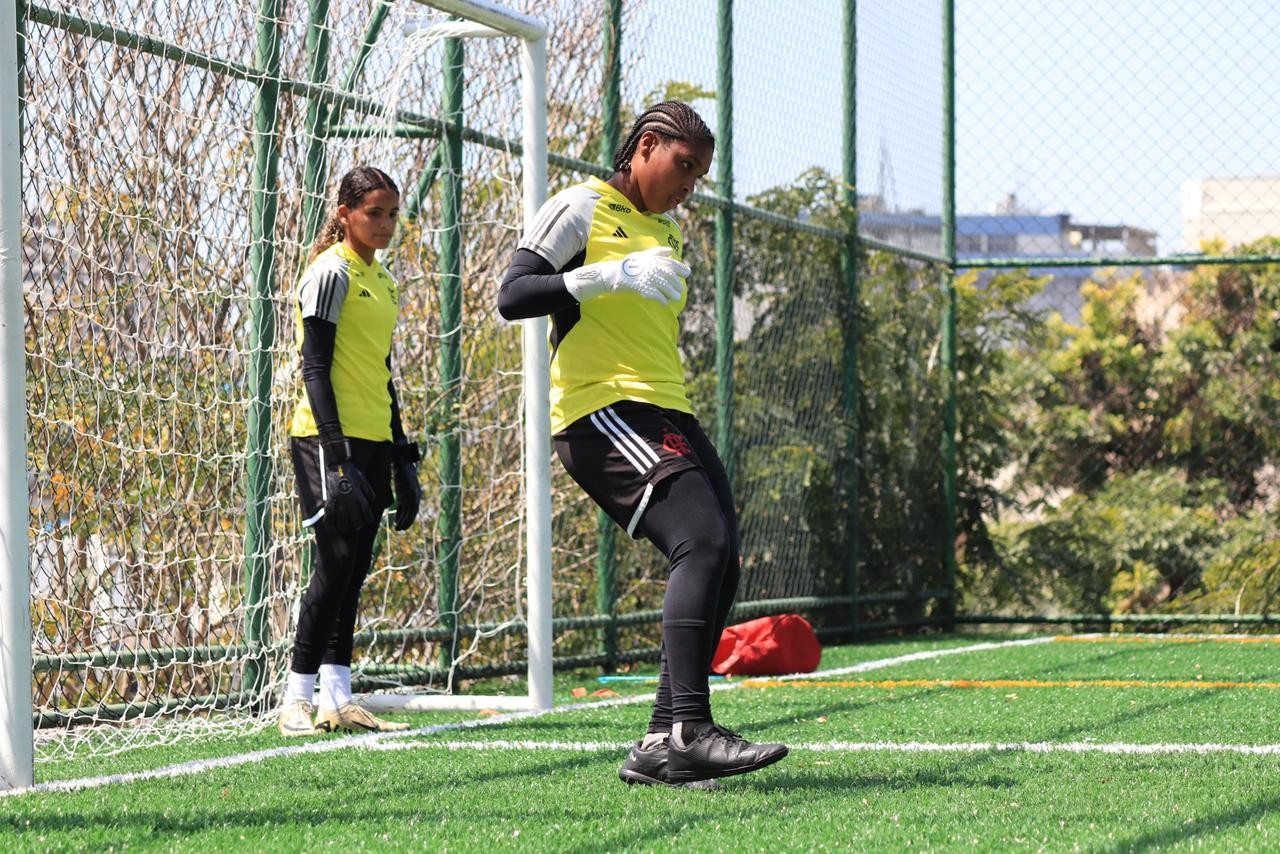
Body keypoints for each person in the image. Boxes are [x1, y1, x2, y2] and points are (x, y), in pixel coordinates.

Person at [498, 101, 788, 785]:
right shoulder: (580, 207)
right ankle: (690, 728)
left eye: (699, 176)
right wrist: (602, 276)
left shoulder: (666, 232)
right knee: (700, 541)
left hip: (667, 410)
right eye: (683, 166)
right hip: (600, 409)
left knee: (723, 559)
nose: (689, 186)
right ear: (646, 146)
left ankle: (661, 741)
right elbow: (511, 295)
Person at [277, 165, 423, 737]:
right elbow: (315, 367)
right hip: (324, 438)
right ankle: (296, 699)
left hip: (373, 438)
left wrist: (401, 455)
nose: (385, 223)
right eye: (374, 213)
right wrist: (336, 456)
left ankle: (338, 700)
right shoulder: (330, 273)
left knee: (356, 567)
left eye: (392, 214)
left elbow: (381, 372)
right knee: (334, 564)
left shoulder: (382, 280)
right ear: (345, 214)